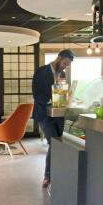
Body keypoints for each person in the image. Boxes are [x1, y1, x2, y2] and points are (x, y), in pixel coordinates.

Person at [32, 49, 74, 187]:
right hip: (44, 115)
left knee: (59, 143)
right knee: (54, 143)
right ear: (59, 58)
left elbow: (60, 92)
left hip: (58, 115)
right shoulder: (41, 71)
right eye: (64, 63)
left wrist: (65, 99)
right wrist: (51, 100)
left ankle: (55, 174)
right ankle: (48, 176)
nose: (65, 67)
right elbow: (37, 94)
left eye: (67, 65)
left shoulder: (62, 74)